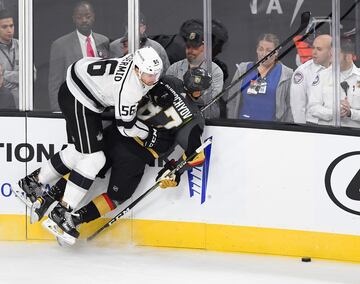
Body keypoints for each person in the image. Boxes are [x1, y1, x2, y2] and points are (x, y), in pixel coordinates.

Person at [30, 68, 212, 244]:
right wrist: (175, 170)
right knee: (117, 196)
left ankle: (48, 197)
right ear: (201, 92)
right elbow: (196, 157)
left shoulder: (167, 81)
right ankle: (74, 219)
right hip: (137, 156)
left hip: (118, 134)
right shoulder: (194, 119)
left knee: (88, 167)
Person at [14, 46, 164, 239]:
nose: (154, 79)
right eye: (149, 75)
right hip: (79, 100)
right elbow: (126, 128)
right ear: (136, 69)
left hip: (79, 89)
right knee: (95, 159)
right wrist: (148, 133)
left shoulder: (134, 61)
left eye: (156, 74)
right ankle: (62, 212)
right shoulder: (130, 89)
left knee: (79, 152)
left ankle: (32, 182)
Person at [48, 1, 110, 111]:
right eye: (79, 17)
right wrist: (57, 111)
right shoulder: (61, 45)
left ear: (93, 17)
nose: (84, 20)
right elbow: (54, 84)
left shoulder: (104, 41)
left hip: (101, 107)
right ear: (73, 19)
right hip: (73, 108)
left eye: (87, 16)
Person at [225, 33, 293, 122]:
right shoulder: (243, 70)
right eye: (261, 49)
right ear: (257, 50)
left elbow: (290, 106)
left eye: (269, 50)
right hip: (243, 126)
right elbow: (232, 101)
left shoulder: (287, 74)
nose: (264, 54)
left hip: (273, 129)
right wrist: (232, 124)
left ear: (276, 52)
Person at [166, 28, 223, 119]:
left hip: (206, 118)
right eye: (188, 47)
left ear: (205, 48)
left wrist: (182, 94)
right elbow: (167, 94)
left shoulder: (215, 71)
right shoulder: (174, 68)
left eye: (195, 47)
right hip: (177, 118)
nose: (190, 50)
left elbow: (208, 99)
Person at [307, 40, 360, 127]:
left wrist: (351, 113)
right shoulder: (322, 76)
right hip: (328, 133)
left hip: (354, 136)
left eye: (334, 55)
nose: (330, 59)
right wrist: (334, 112)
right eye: (331, 54)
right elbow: (313, 108)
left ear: (348, 57)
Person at [290, 34, 332, 124]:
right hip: (312, 125)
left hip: (337, 124)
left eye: (319, 49)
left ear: (331, 51)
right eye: (313, 48)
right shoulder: (302, 72)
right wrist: (302, 130)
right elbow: (297, 106)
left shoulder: (339, 69)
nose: (314, 52)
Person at [0, 9, 19, 107]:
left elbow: (32, 76)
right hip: (2, 105)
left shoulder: (22, 46)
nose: (9, 30)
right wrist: (19, 79)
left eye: (11, 26)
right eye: (4, 27)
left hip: (23, 103)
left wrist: (4, 74)